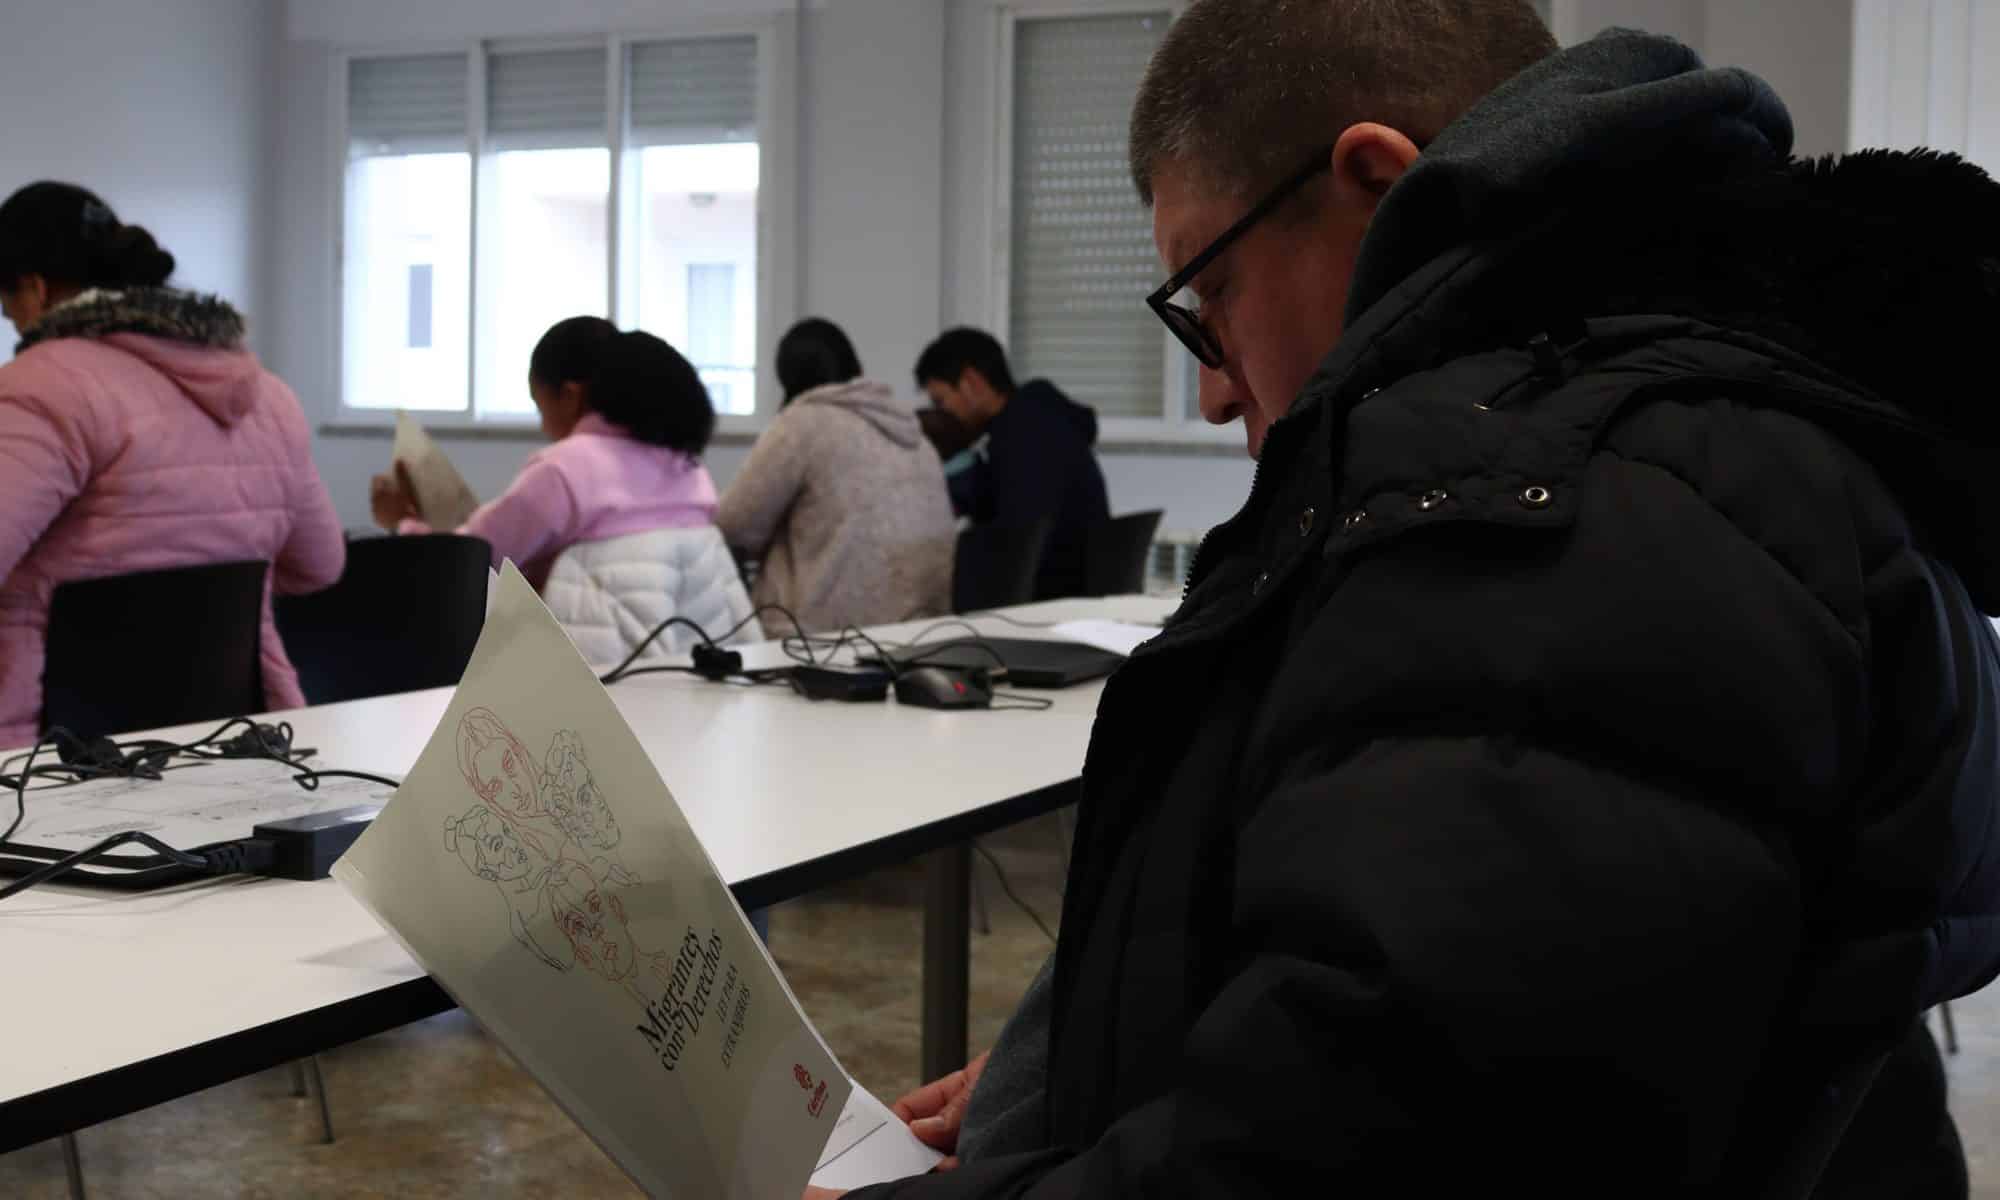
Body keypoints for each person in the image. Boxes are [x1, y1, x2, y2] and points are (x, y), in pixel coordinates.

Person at [828, 4, 2000, 1198]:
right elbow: (1422, 977)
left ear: (1378, 185)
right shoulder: (1680, 433)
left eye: (1209, 290)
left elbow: (1373, 1142)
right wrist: (1107, 1052)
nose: (1210, 395)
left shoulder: (1554, 515)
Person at [0, 181, 344, 748]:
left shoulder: (43, 385)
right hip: (231, 747)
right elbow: (320, 565)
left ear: (35, 291)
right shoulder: (268, 395)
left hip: (48, 766)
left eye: (7, 304)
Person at [372, 317, 718, 591]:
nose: (542, 424)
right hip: (677, 660)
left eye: (540, 406)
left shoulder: (565, 470)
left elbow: (468, 564)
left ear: (569, 395)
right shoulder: (688, 467)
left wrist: (401, 523)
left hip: (582, 661)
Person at [717, 318, 954, 634]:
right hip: (921, 632)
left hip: (825, 639)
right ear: (855, 365)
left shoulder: (802, 423)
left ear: (786, 376)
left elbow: (735, 524)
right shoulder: (913, 433)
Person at [914, 329, 1109, 600]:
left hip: (1044, 602)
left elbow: (1015, 545)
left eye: (941, 401)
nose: (941, 414)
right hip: (1074, 593)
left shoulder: (1022, 437)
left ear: (971, 383)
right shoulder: (1039, 421)